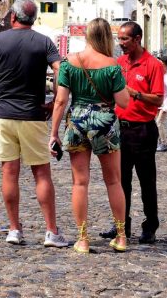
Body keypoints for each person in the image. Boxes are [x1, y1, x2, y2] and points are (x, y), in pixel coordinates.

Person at [0, 0, 70, 248]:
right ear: (33, 19)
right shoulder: (44, 42)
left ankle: (14, 229)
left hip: (3, 115)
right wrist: (54, 101)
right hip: (33, 115)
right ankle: (51, 232)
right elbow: (60, 69)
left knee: (9, 173)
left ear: (13, 17)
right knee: (41, 174)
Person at [49, 18, 131, 253]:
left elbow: (61, 100)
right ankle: (122, 237)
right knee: (113, 181)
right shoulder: (112, 66)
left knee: (80, 182)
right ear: (107, 37)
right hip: (105, 122)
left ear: (87, 36)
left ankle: (83, 239)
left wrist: (53, 133)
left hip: (77, 122)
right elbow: (123, 102)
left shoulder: (68, 63)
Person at [99, 21, 165, 245]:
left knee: (147, 181)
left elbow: (158, 99)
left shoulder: (153, 65)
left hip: (143, 129)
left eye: (124, 39)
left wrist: (135, 94)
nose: (121, 43)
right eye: (119, 39)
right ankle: (121, 225)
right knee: (121, 180)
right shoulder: (119, 63)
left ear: (137, 39)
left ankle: (150, 226)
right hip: (120, 128)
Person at [155, 55, 167, 152]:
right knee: (156, 123)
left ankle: (164, 143)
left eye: (161, 63)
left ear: (165, 64)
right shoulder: (159, 75)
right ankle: (159, 142)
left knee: (159, 123)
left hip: (164, 104)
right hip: (158, 104)